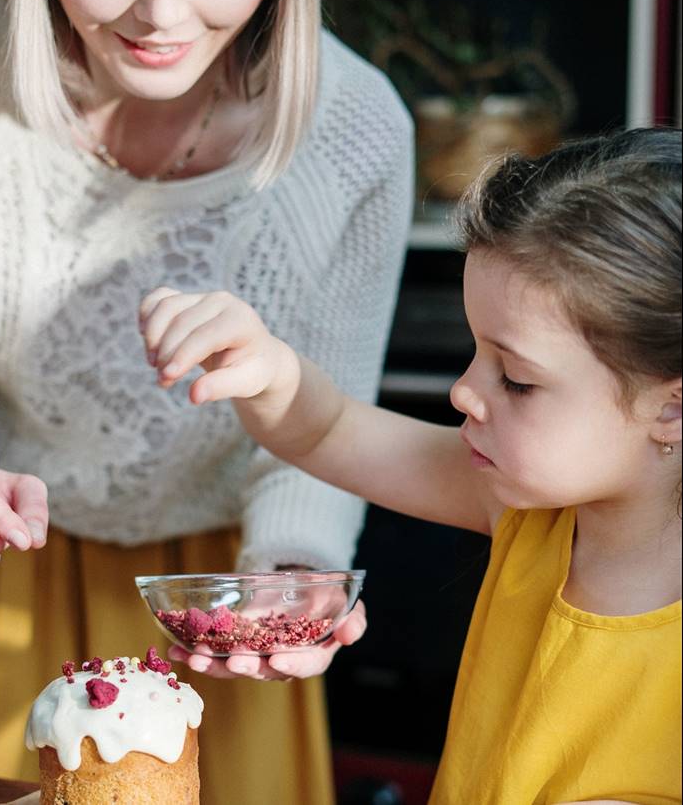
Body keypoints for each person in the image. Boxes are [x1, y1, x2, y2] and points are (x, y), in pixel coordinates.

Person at [0, 0, 413, 799]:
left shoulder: (356, 129)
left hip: (221, 603)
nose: (163, 10)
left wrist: (293, 576)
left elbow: (322, 434)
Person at [140, 127, 682, 802]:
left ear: (673, 407)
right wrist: (268, 372)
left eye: (514, 377)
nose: (463, 390)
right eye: (477, 353)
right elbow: (331, 430)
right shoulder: (524, 511)